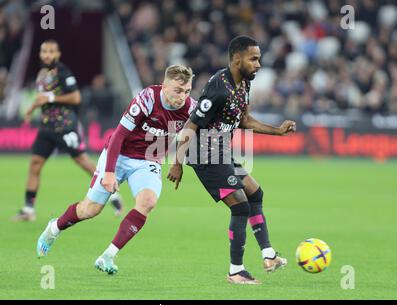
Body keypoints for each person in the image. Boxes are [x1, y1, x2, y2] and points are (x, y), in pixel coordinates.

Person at [36, 65, 196, 275]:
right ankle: (54, 228)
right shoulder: (147, 99)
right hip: (120, 154)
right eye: (177, 90)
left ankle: (108, 256)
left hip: (148, 160)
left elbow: (187, 134)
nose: (182, 96)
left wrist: (177, 163)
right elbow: (118, 135)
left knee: (148, 202)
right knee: (90, 210)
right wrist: (110, 172)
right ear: (164, 86)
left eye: (187, 91)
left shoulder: (191, 108)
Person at [167, 36, 296, 285]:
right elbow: (191, 123)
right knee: (240, 206)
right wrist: (177, 162)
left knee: (255, 194)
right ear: (237, 59)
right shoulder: (218, 87)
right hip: (203, 154)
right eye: (254, 58)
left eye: (259, 58)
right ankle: (236, 271)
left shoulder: (244, 85)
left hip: (220, 152)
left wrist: (277, 131)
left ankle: (269, 255)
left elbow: (245, 120)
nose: (258, 64)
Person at [13, 39, 123, 221]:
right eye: (44, 51)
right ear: (40, 54)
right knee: (35, 164)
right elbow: (42, 98)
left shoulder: (63, 73)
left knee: (83, 162)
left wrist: (50, 98)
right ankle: (28, 209)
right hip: (47, 127)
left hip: (65, 126)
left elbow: (76, 97)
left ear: (58, 54)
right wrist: (31, 109)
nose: (47, 55)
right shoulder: (42, 74)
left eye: (51, 52)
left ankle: (113, 193)